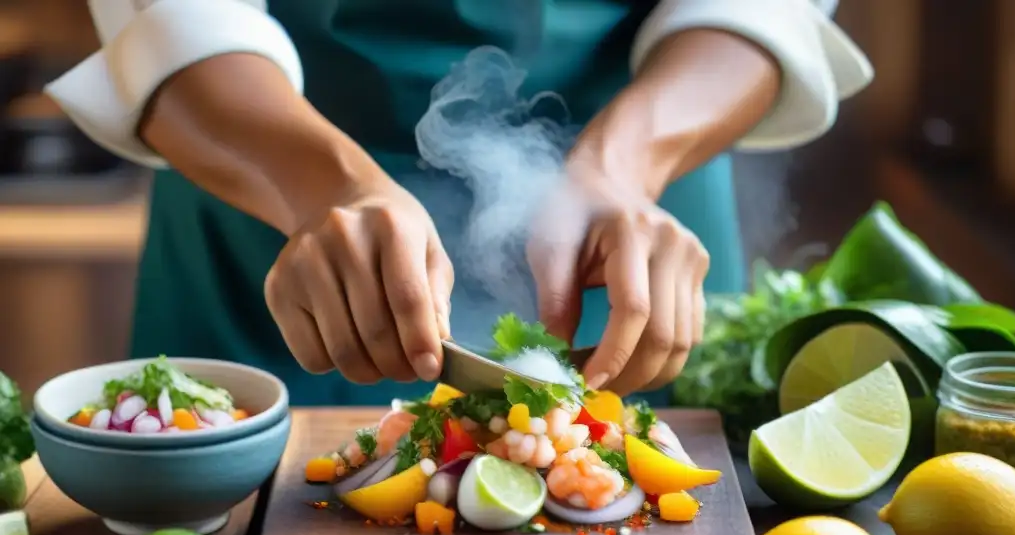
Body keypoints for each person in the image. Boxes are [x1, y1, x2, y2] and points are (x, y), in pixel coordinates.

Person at [46, 0, 871, 405]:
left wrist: (624, 165)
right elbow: (172, 18)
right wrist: (322, 186)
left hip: (635, 204)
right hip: (270, 196)